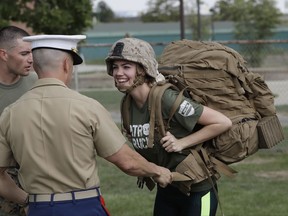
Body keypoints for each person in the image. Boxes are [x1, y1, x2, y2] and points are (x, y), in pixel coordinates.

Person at [0, 35, 172, 216]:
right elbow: (127, 162)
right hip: (83, 206)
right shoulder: (87, 107)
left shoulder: (10, 113)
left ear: (35, 65)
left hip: (38, 208)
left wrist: (27, 201)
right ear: (67, 65)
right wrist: (157, 170)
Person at [105, 37, 232, 216]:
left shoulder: (166, 98)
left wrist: (182, 143)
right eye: (115, 67)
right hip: (167, 188)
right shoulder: (127, 104)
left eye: (126, 67)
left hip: (197, 190)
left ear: (142, 69)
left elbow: (222, 122)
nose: (118, 72)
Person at [0, 25, 36, 216]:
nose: (31, 59)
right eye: (24, 53)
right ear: (3, 54)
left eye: (32, 53)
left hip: (35, 176)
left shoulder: (36, 82)